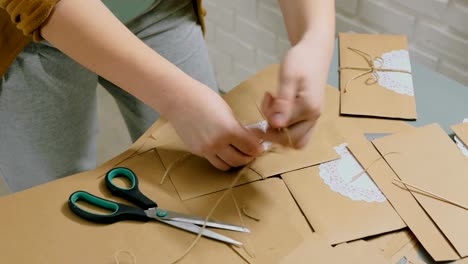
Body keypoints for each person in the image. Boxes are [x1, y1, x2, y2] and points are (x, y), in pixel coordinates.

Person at [0, 0, 335, 192]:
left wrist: (314, 41)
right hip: (22, 36)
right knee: (55, 192)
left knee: (206, 169)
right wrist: (179, 100)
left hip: (157, 6)